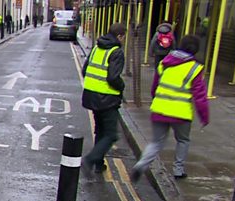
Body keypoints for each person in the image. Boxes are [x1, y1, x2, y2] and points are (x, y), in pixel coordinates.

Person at [130, 35, 209, 181]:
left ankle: (141, 165)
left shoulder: (164, 62)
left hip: (159, 109)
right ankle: (178, 170)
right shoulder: (195, 68)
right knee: (183, 140)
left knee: (156, 142)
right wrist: (204, 116)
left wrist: (156, 99)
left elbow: (155, 86)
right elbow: (200, 96)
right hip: (181, 113)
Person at [81, 22, 127, 176]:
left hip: (91, 95)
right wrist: (122, 86)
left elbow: (84, 69)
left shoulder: (96, 47)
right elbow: (113, 77)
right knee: (111, 134)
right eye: (124, 37)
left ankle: (99, 164)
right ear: (120, 36)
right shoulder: (116, 52)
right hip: (107, 98)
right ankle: (90, 159)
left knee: (100, 130)